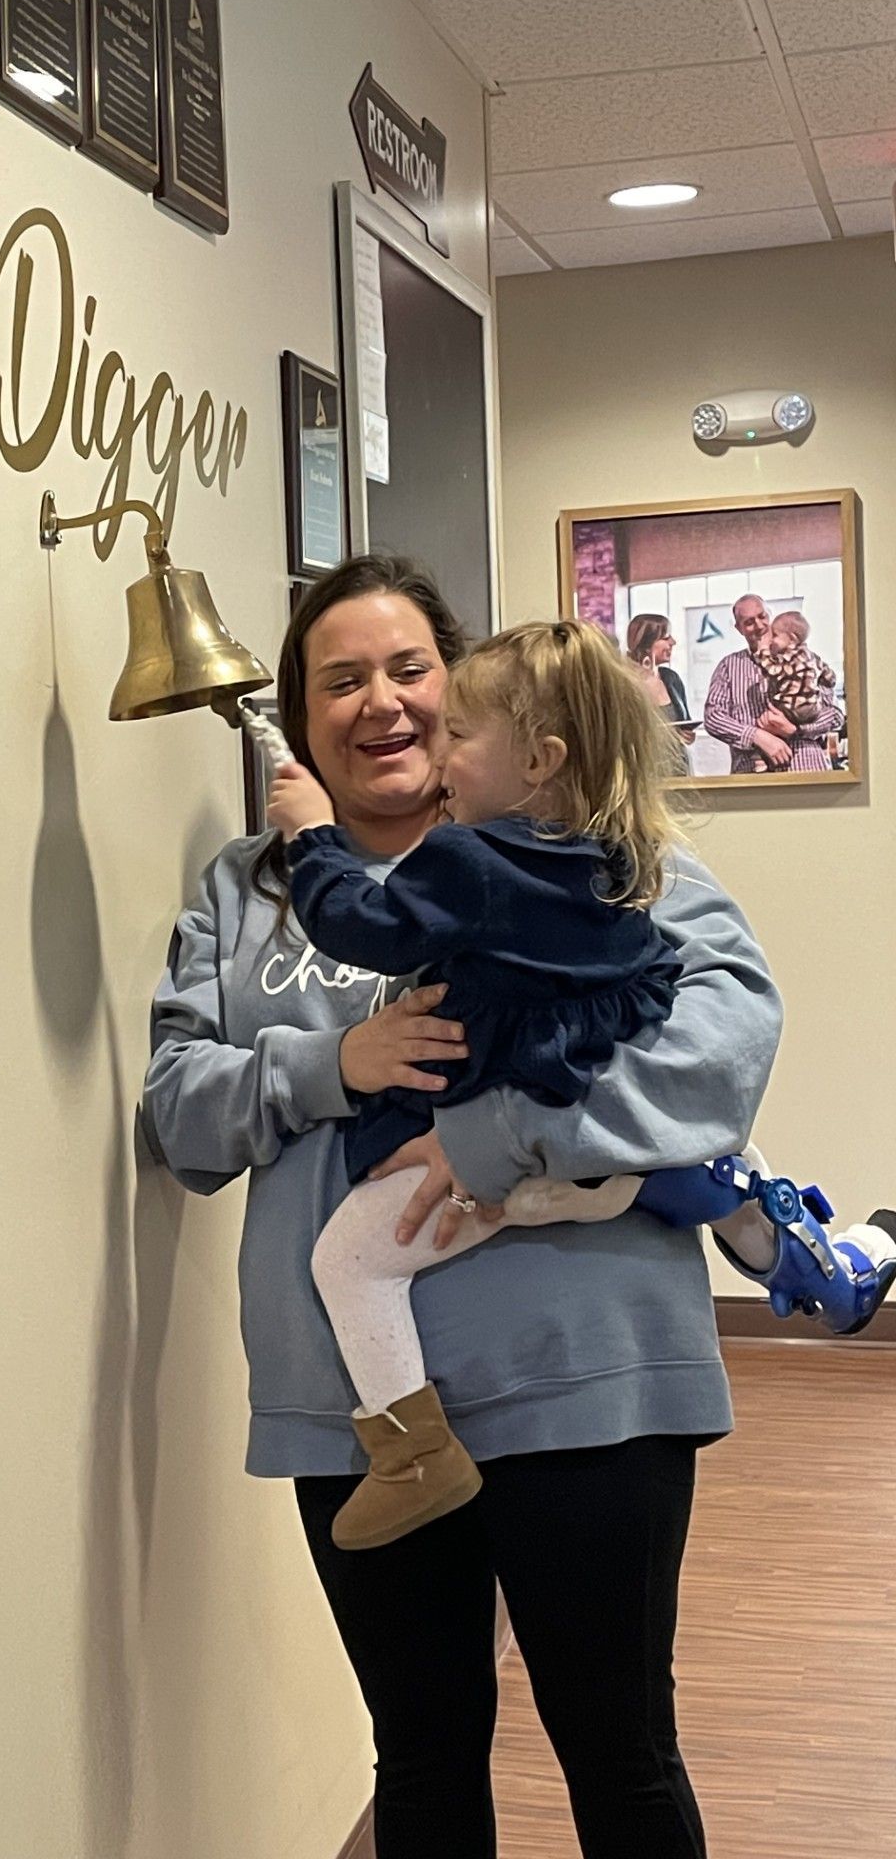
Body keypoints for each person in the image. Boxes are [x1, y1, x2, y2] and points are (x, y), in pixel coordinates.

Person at [143, 553, 779, 1857]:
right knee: (422, 1759)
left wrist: (496, 1134)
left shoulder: (610, 855)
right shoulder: (245, 893)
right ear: (304, 718)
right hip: (366, 1427)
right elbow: (179, 1111)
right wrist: (332, 1064)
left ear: (469, 697)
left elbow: (721, 1052)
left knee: (619, 1749)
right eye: (339, 680)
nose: (379, 701)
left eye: (408, 668)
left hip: (588, 1385)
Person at [261, 619, 894, 1552]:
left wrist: (312, 839)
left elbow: (368, 925)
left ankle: (411, 1454)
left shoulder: (484, 860)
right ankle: (750, 1212)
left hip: (559, 1271)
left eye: (451, 723)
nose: (431, 743)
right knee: (698, 1162)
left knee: (348, 1261)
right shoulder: (610, 860)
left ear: (540, 756)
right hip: (579, 1123)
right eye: (341, 680)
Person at [702, 593, 841, 773]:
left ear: (770, 615)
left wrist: (795, 729)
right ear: (739, 628)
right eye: (749, 622)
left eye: (762, 617)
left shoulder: (806, 660)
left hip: (805, 769)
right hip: (751, 775)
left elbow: (836, 714)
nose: (759, 626)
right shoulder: (728, 666)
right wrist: (757, 736)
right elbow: (713, 717)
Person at [749, 610, 841, 770]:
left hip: (793, 708)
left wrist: (762, 651)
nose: (771, 640)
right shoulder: (813, 657)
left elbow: (773, 670)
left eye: (775, 636)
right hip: (812, 709)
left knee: (768, 718)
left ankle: (761, 760)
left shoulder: (789, 657)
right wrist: (826, 680)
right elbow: (829, 676)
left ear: (792, 639)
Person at [626, 612, 694, 772]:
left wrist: (687, 735)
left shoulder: (671, 679)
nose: (673, 642)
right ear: (646, 642)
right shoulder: (625, 683)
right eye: (666, 638)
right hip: (643, 774)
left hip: (678, 771)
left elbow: (684, 722)